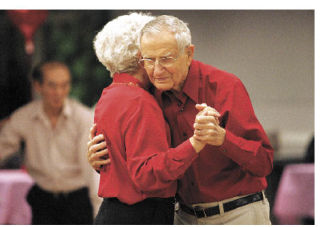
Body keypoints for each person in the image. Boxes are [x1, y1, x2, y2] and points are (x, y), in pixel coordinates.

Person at [88, 14, 274, 225]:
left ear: (188, 54)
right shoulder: (150, 95)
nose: (157, 71)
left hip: (236, 215)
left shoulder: (225, 87)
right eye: (149, 60)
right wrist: (100, 159)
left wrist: (222, 138)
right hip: (182, 217)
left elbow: (264, 163)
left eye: (166, 59)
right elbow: (142, 160)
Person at [90, 12, 216, 225]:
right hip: (141, 214)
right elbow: (147, 176)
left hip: (114, 212)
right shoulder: (140, 101)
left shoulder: (109, 95)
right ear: (141, 57)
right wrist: (196, 142)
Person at [0, 61, 99, 224]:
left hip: (77, 201)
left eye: (64, 85)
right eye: (52, 86)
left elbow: (91, 169)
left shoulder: (83, 118)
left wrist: (99, 214)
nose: (59, 92)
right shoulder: (24, 117)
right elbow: (3, 146)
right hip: (42, 201)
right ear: (38, 86)